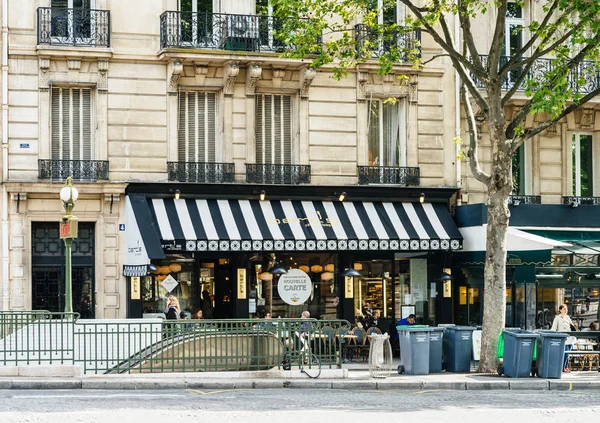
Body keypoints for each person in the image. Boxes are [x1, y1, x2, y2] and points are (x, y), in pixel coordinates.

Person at [551, 304, 577, 372]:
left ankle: (565, 366)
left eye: (566, 309)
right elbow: (553, 328)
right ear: (560, 310)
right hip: (563, 338)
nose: (566, 310)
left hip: (570, 338)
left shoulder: (568, 317)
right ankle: (562, 367)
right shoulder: (557, 318)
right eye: (564, 309)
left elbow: (572, 326)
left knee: (567, 353)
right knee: (564, 353)